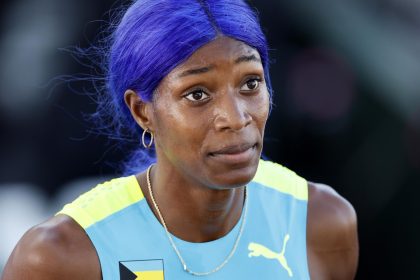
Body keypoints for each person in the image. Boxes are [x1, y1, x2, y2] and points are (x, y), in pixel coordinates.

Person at [1, 0, 358, 279]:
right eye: (198, 94)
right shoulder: (57, 255)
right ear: (142, 111)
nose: (236, 118)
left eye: (251, 83)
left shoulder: (323, 223)